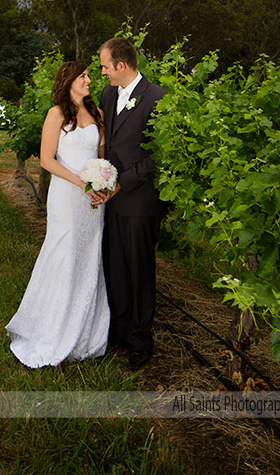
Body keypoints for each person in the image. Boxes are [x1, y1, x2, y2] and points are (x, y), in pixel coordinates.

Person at [5, 61, 110, 367]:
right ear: (69, 81)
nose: (89, 80)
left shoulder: (98, 114)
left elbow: (101, 160)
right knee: (63, 253)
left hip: (92, 201)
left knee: (89, 255)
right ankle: (51, 329)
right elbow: (47, 161)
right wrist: (82, 182)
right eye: (84, 76)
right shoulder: (56, 114)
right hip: (66, 196)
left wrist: (102, 183)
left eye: (89, 75)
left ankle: (85, 333)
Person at [98, 37, 166, 371]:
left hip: (139, 202)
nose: (103, 73)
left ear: (121, 65)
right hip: (111, 200)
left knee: (140, 273)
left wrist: (123, 182)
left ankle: (141, 342)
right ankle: (119, 332)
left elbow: (157, 157)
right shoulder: (108, 95)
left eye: (105, 67)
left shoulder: (157, 99)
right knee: (116, 268)